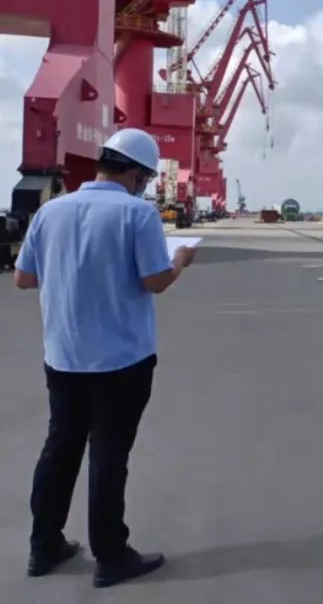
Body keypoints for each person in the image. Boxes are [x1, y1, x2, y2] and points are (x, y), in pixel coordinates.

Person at [13, 128, 195, 587]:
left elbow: (23, 279)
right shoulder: (138, 214)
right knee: (109, 454)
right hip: (121, 361)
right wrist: (180, 261)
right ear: (137, 174)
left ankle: (44, 545)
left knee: (60, 448)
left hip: (63, 356)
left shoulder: (51, 211)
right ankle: (111, 556)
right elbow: (155, 281)